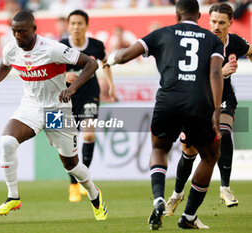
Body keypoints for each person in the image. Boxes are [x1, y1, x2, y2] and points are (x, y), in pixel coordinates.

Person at [105, 0, 224, 229]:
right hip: (199, 103)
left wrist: (108, 60)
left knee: (160, 149)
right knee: (209, 157)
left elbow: (122, 57)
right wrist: (217, 109)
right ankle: (188, 216)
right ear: (199, 15)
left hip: (168, 100)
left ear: (176, 16)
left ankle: (159, 197)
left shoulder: (162, 33)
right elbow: (216, 72)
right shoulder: (212, 39)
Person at [0, 10, 108, 220]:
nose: (18, 36)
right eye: (14, 32)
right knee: (7, 142)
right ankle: (13, 197)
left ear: (34, 30)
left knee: (71, 165)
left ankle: (95, 194)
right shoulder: (12, 48)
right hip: (30, 107)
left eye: (22, 32)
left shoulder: (53, 49)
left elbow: (91, 64)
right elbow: (4, 65)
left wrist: (73, 88)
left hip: (56, 111)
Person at [165, 2, 252, 215]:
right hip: (197, 100)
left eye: (222, 22)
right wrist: (219, 73)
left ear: (231, 23)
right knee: (190, 152)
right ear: (207, 20)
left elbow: (251, 50)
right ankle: (177, 194)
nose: (217, 26)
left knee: (223, 132)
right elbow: (188, 76)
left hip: (224, 99)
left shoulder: (236, 43)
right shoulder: (198, 42)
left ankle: (225, 188)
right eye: (213, 21)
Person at [60, 9, 117, 202]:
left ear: (86, 25)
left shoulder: (96, 45)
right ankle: (73, 184)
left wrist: (111, 86)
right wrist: (64, 76)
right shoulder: (60, 46)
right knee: (68, 142)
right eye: (73, 23)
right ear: (68, 26)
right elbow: (48, 70)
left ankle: (84, 180)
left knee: (89, 134)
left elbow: (106, 64)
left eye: (80, 23)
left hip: (90, 94)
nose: (76, 27)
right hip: (67, 97)